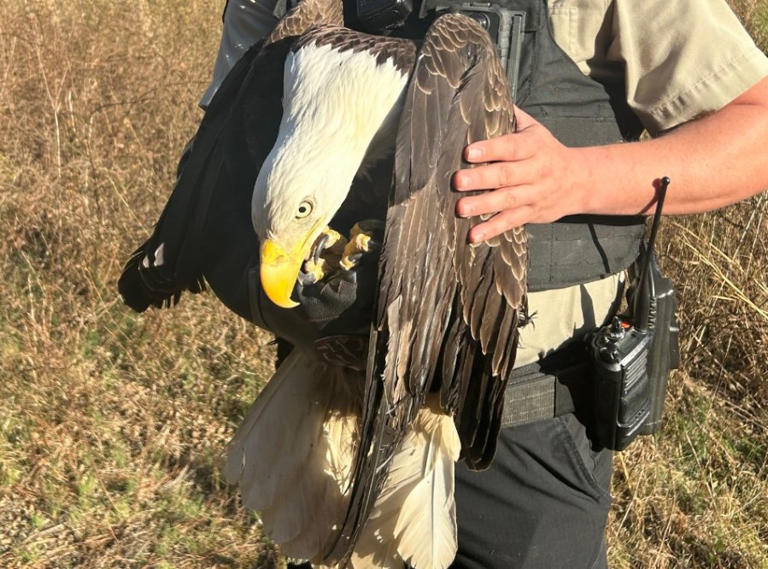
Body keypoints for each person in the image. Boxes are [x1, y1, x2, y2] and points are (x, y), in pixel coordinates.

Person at [199, 1, 768, 568]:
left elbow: (757, 124)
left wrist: (574, 180)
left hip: (518, 415)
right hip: (327, 398)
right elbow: (227, 143)